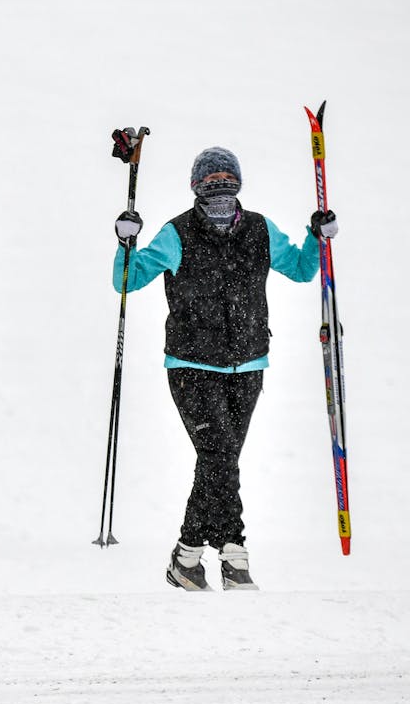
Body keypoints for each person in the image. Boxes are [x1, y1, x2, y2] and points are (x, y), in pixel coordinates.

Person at [112, 146, 337, 591]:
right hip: (191, 365)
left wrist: (317, 237)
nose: (218, 196)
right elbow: (127, 281)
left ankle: (188, 559)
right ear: (196, 189)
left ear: (237, 186)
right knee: (218, 455)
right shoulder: (176, 234)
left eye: (225, 184)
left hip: (249, 364)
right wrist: (125, 244)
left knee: (220, 460)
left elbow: (299, 269)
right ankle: (235, 556)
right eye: (209, 186)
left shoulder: (259, 229)